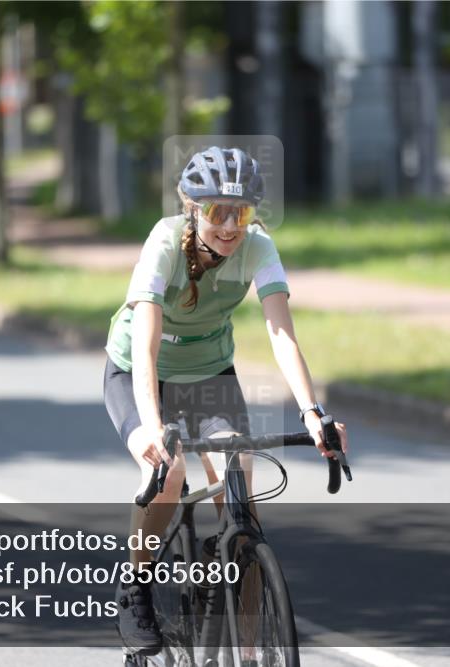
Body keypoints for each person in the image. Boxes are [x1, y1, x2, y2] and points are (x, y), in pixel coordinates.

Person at [102, 146, 349, 656]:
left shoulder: (258, 247)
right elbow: (145, 344)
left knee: (241, 492)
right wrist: (153, 427)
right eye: (218, 212)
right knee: (168, 474)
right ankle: (135, 588)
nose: (231, 226)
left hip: (210, 372)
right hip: (138, 372)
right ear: (193, 209)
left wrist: (313, 413)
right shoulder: (164, 242)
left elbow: (281, 334)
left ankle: (246, 631)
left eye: (243, 212)